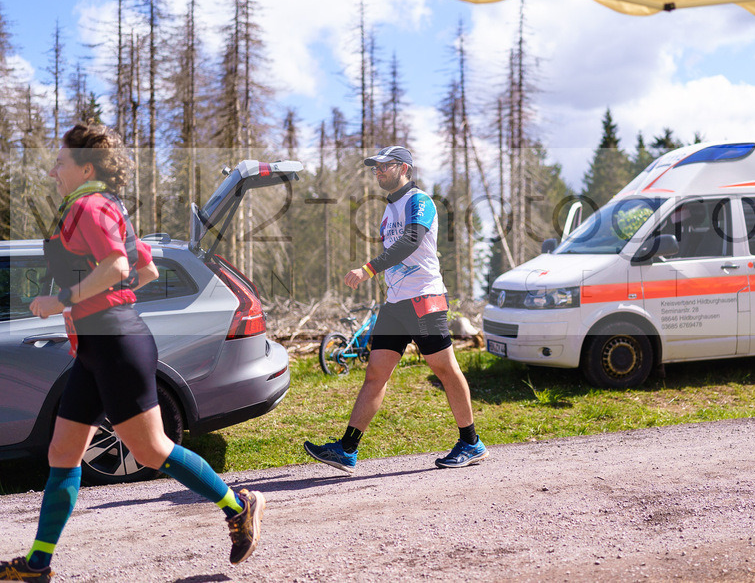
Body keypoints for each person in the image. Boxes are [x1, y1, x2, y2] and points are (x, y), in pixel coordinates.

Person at [0, 125, 265, 583]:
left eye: (60, 163)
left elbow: (120, 267)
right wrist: (95, 304)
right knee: (63, 453)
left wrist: (66, 300)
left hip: (117, 347)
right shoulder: (107, 206)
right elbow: (145, 269)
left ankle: (239, 507)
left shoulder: (88, 205)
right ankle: (38, 565)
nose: (52, 171)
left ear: (86, 167)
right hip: (95, 348)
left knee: (152, 449)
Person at [304, 146, 488, 472]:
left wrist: (368, 269)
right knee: (375, 374)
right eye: (375, 168)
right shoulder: (389, 210)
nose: (378, 172)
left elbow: (411, 242)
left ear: (404, 168)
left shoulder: (420, 201)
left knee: (445, 369)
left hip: (424, 301)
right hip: (395, 306)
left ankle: (471, 442)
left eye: (384, 167)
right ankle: (347, 449)